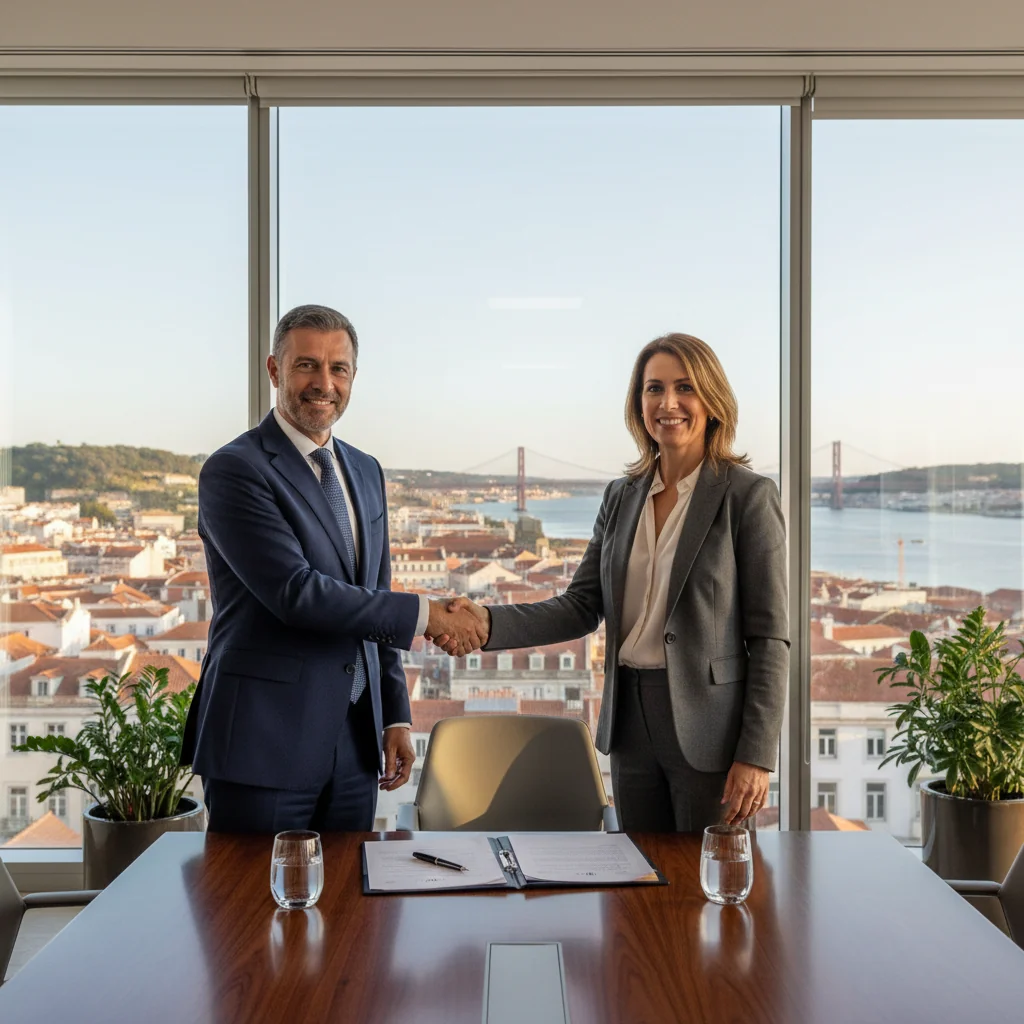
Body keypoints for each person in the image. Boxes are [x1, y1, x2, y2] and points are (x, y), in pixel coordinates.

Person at [436, 333, 788, 831]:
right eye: (653, 389)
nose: (667, 403)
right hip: (629, 723)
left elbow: (770, 637)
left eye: (684, 387)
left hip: (712, 730)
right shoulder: (621, 496)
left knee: (709, 886)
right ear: (638, 403)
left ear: (712, 401)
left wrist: (757, 754)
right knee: (637, 881)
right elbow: (580, 605)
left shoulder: (748, 496)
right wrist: (486, 623)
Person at [181, 304, 487, 832]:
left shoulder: (365, 470)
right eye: (307, 366)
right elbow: (297, 593)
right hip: (263, 741)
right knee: (250, 909)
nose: (324, 383)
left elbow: (375, 591)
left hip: (354, 743)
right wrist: (430, 616)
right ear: (275, 370)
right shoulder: (234, 469)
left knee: (350, 908)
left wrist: (393, 712)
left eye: (338, 369)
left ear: (352, 378)